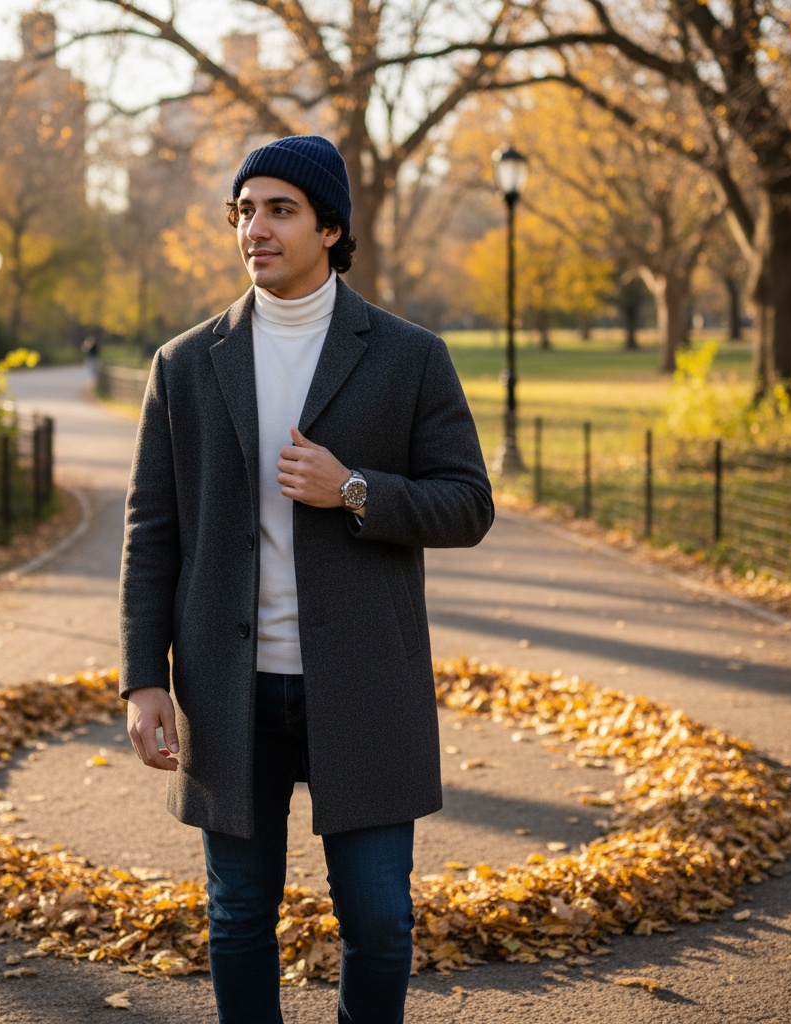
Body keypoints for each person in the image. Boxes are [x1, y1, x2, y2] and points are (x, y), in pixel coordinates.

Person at [119, 134, 494, 1024]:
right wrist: (143, 679)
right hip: (227, 687)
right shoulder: (183, 364)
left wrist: (354, 489)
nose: (256, 227)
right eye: (244, 211)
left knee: (379, 918)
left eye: (279, 209)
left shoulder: (409, 356)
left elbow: (468, 504)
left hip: (365, 680)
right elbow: (151, 532)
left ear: (330, 228)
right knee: (239, 914)